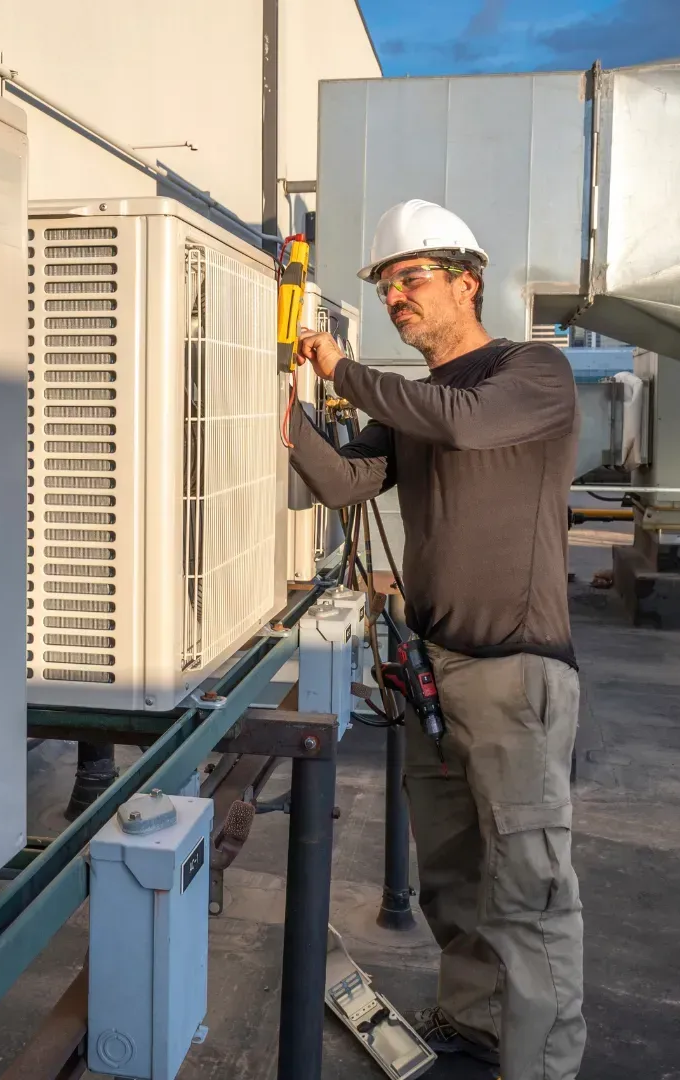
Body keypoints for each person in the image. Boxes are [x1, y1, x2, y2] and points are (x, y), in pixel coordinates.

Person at [287, 199, 585, 1080]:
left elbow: (463, 424)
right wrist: (282, 405)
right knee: (452, 875)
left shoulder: (531, 373)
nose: (397, 298)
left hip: (514, 676)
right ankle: (474, 1021)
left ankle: (543, 1065)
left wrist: (344, 370)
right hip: (433, 671)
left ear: (468, 280)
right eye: (386, 286)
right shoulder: (412, 406)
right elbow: (345, 483)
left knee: (528, 888)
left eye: (412, 279)